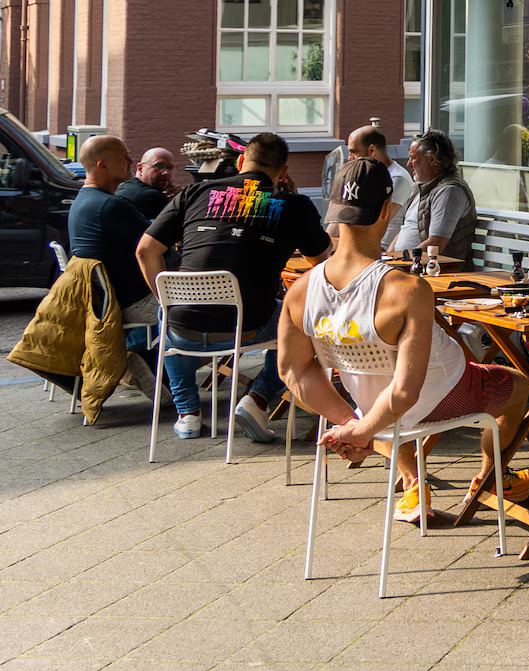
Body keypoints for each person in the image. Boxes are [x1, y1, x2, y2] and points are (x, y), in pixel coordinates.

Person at [279, 157, 529, 521]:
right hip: (442, 394)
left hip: (371, 405)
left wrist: (352, 423)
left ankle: (414, 483)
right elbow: (404, 393)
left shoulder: (300, 291)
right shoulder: (407, 289)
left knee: (380, 402)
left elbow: (292, 370)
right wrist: (362, 430)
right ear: (387, 210)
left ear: (333, 209)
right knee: (518, 385)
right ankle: (492, 480)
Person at [135, 132, 331, 441]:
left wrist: (166, 300)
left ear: (240, 162)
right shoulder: (293, 205)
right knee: (299, 321)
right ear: (283, 171)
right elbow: (322, 263)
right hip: (247, 326)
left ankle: (188, 414)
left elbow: (145, 250)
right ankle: (259, 399)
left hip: (182, 325)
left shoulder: (194, 192)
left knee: (166, 312)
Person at [66, 135, 158, 394]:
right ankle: (153, 368)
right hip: (128, 303)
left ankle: (144, 361)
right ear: (102, 165)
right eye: (122, 157)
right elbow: (158, 239)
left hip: (101, 301)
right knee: (200, 309)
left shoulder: (81, 202)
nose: (130, 160)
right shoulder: (111, 205)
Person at [389, 128, 477, 267]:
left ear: (432, 160)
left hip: (437, 269)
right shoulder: (421, 188)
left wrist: (400, 263)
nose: (408, 164)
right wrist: (387, 258)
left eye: (413, 158)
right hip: (408, 265)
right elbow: (405, 229)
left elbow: (436, 244)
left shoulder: (449, 191)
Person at [328, 125, 413, 250]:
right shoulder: (360, 176)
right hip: (355, 245)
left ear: (372, 150)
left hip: (380, 249)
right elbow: (338, 220)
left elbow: (375, 225)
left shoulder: (397, 179)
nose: (350, 157)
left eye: (353, 151)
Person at [116, 147, 178, 219]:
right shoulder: (150, 196)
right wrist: (178, 201)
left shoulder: (125, 186)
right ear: (140, 168)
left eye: (170, 168)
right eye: (159, 166)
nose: (166, 172)